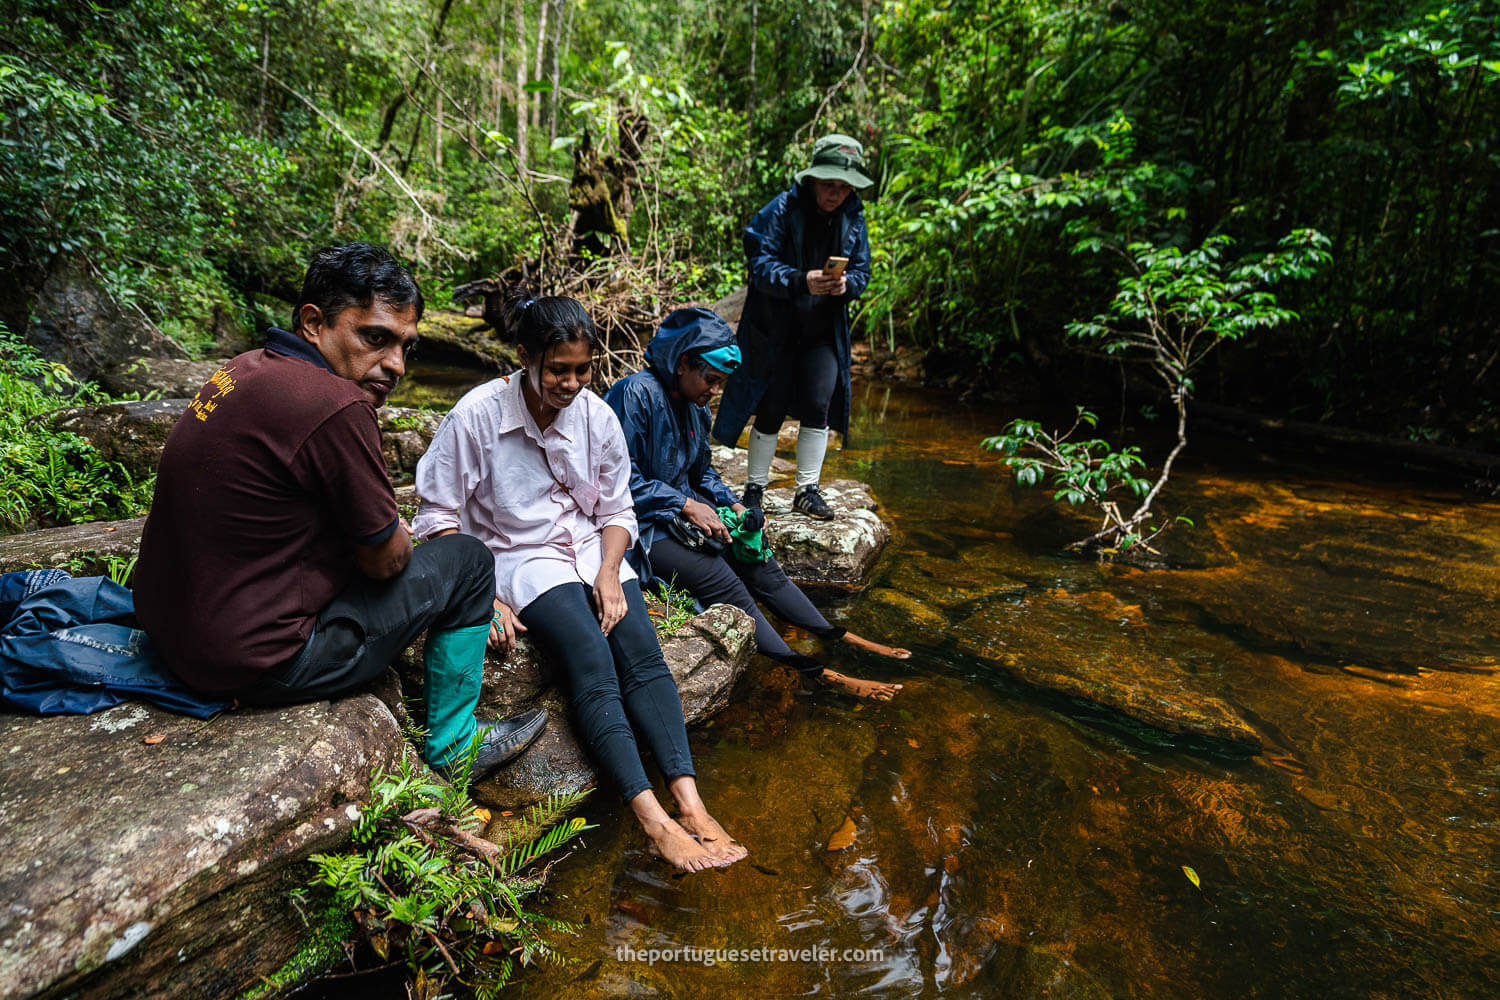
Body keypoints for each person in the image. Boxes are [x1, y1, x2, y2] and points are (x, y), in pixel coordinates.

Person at [132, 243, 545, 782]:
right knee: (466, 560)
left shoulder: (239, 369)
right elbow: (385, 562)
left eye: (405, 347)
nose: (395, 364)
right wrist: (392, 530)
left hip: (167, 635)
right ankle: (455, 745)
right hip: (257, 665)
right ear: (313, 322)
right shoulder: (337, 405)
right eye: (375, 338)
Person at [411, 296, 746, 872]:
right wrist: (482, 594)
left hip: (593, 547)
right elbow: (437, 515)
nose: (570, 383)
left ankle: (690, 803)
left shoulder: (598, 417)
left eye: (582, 370)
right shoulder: (478, 415)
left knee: (641, 654)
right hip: (521, 556)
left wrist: (611, 573)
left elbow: (618, 510)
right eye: (556, 370)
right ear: (523, 357)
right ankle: (652, 819)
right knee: (592, 659)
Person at [606, 307, 908, 701]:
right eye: (711, 380)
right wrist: (684, 505)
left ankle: (839, 635)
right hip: (640, 526)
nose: (714, 392)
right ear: (682, 364)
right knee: (723, 580)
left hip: (684, 513)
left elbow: (703, 474)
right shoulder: (634, 395)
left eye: (721, 384)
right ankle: (819, 673)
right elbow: (616, 484)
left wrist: (731, 505)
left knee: (759, 560)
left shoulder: (696, 408)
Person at [712, 133, 874, 522]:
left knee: (818, 404)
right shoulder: (780, 210)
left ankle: (808, 490)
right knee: (772, 405)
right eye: (829, 184)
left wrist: (846, 284)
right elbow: (760, 266)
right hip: (776, 328)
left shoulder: (853, 217)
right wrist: (802, 280)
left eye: (843, 186)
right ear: (813, 180)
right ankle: (754, 488)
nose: (836, 193)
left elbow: (864, 271)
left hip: (823, 330)